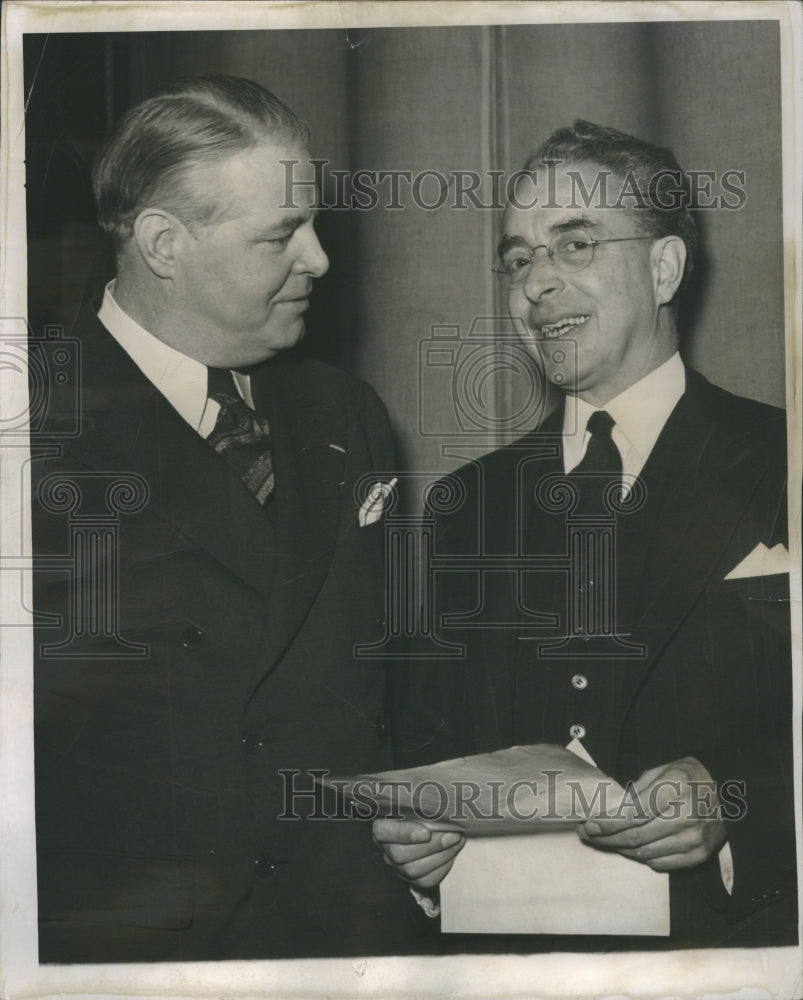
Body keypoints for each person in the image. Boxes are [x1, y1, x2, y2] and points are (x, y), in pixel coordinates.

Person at [374, 121, 797, 950]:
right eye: (518, 258)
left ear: (663, 266)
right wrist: (412, 835)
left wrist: (738, 795)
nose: (535, 284)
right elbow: (426, 742)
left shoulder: (785, 461)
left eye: (574, 245)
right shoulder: (466, 504)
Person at [31, 75, 420, 963]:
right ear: (165, 243)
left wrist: (424, 816)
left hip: (345, 937)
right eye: (283, 233)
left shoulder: (345, 413)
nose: (319, 258)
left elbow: (392, 674)